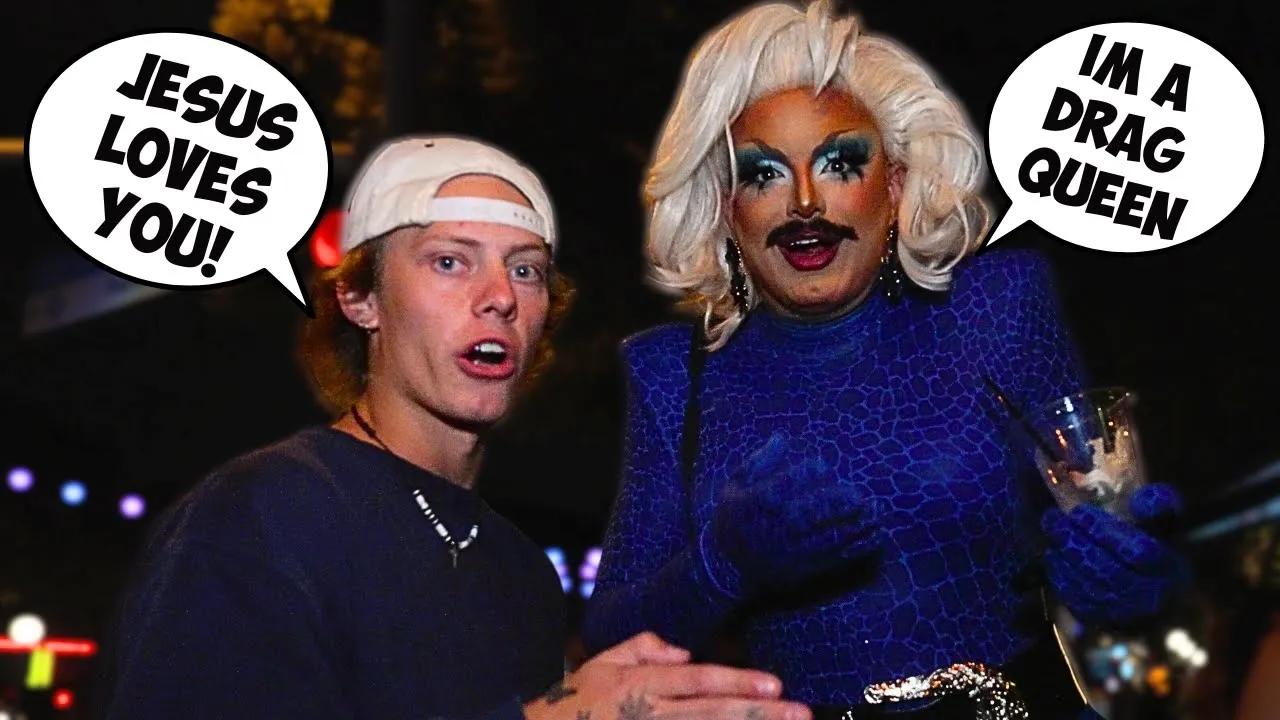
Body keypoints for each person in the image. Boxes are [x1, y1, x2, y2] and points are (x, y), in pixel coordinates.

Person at [581, 2, 1188, 718]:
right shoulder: (672, 376)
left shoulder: (996, 307)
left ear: (895, 185)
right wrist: (719, 565)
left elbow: (1106, 519)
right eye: (763, 174)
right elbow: (608, 649)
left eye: (840, 163)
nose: (805, 202)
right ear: (724, 207)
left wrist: (1138, 579)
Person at [94, 134, 814, 720]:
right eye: (449, 262)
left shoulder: (524, 576)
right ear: (360, 299)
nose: (499, 296)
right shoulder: (261, 513)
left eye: (526, 271)